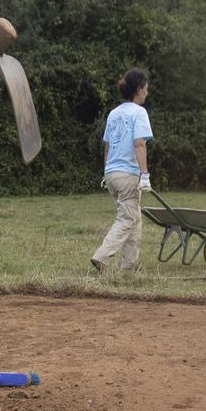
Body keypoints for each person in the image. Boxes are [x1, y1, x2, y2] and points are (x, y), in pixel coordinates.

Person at [91, 68, 152, 273]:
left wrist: (108, 170)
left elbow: (108, 145)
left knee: (134, 219)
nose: (147, 92)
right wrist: (145, 174)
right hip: (128, 174)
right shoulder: (139, 112)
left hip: (112, 174)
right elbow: (139, 144)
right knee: (127, 219)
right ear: (138, 89)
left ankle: (128, 267)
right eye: (145, 87)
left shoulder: (114, 113)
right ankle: (102, 257)